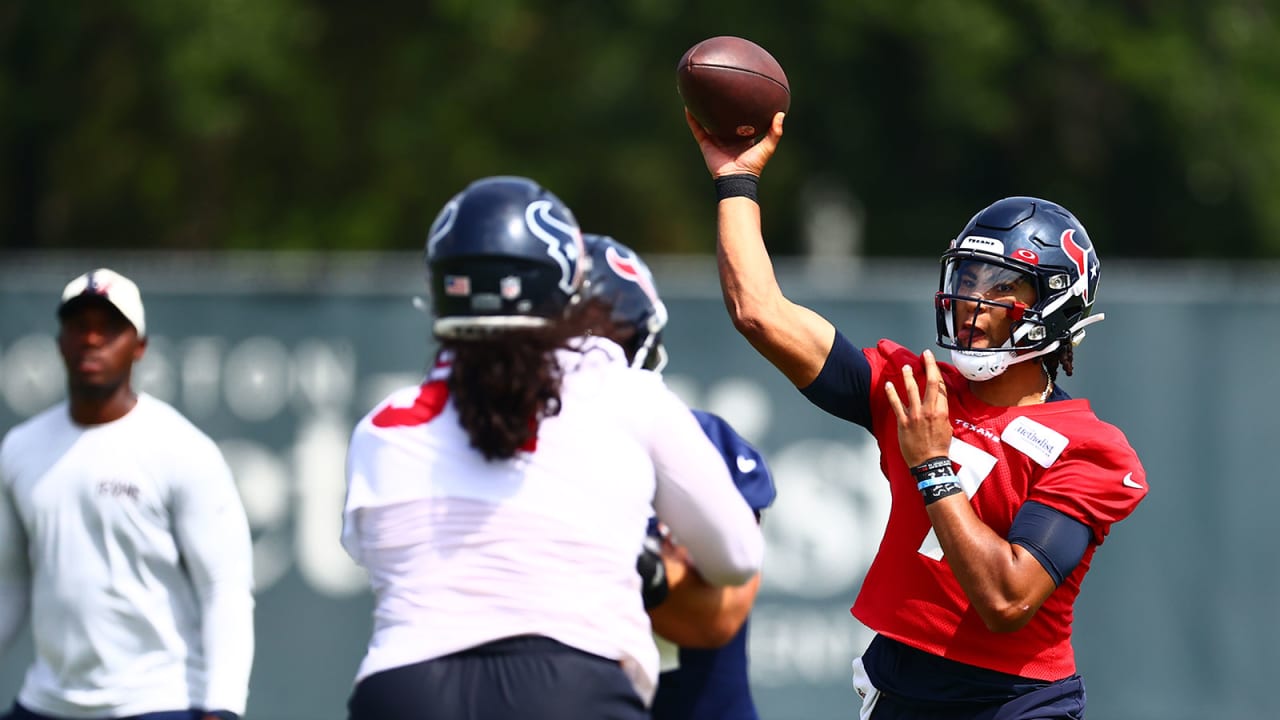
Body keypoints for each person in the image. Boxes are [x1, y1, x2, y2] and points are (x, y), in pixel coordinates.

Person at [684, 111, 1148, 720]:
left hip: (1012, 703)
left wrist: (934, 465)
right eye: (969, 279)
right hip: (900, 688)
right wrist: (736, 182)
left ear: (1055, 301)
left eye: (1001, 286)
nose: (973, 305)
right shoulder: (920, 389)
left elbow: (1007, 600)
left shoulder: (1090, 450)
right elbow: (759, 312)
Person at [341, 176, 765, 720]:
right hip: (571, 686)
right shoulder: (625, 394)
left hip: (403, 689)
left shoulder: (381, 427)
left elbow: (369, 552)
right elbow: (737, 558)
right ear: (566, 288)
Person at [0, 269, 255, 720]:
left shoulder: (181, 449)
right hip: (47, 702)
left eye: (110, 328)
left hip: (157, 700)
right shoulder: (20, 449)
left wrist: (224, 706)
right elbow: (10, 584)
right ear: (60, 341)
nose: (92, 339)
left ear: (139, 346)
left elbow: (225, 588)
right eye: (80, 326)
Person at [581, 233, 777, 720]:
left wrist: (601, 558)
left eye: (600, 336)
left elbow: (719, 615)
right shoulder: (505, 445)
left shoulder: (703, 440)